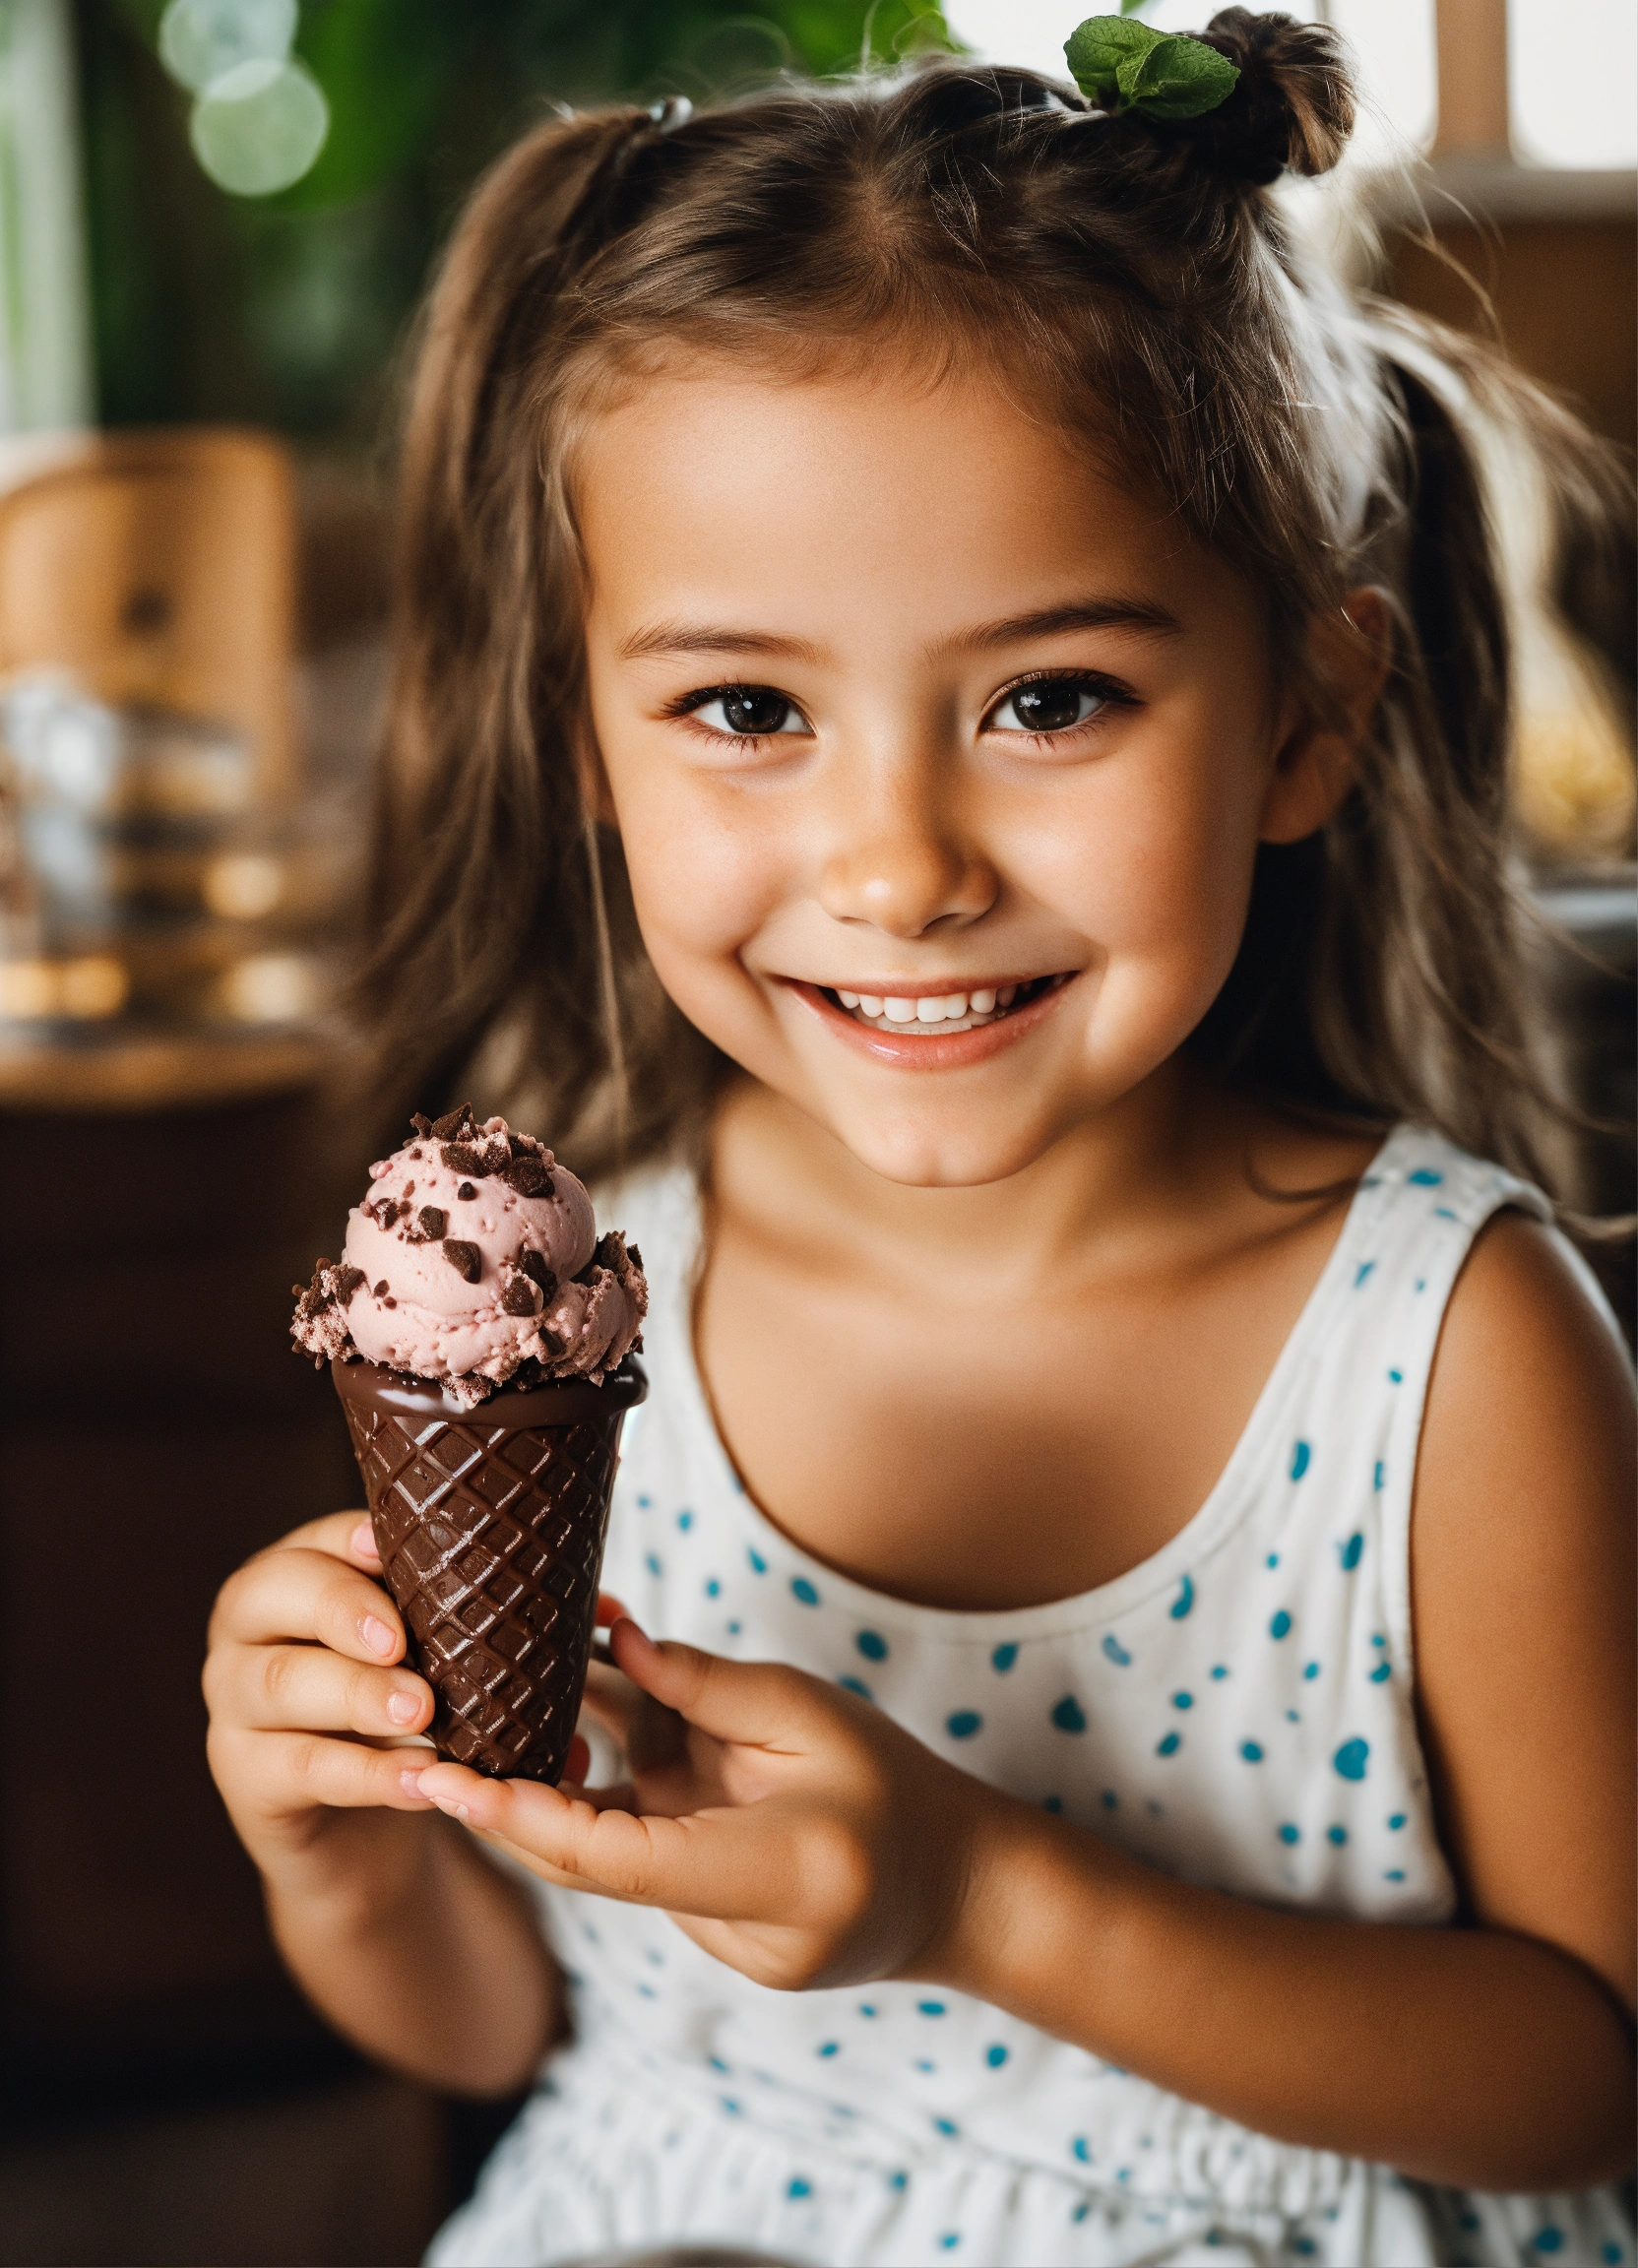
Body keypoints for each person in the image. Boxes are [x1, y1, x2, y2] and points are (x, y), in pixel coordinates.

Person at [203, 14, 1637, 2264]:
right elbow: (510, 2030)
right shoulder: (569, 1314)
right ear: (588, 739)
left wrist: (981, 1894)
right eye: (745, 709)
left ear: (1305, 716)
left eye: (1049, 700)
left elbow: (1582, 2083)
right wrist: (333, 1845)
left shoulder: (1443, 1349)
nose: (895, 864)